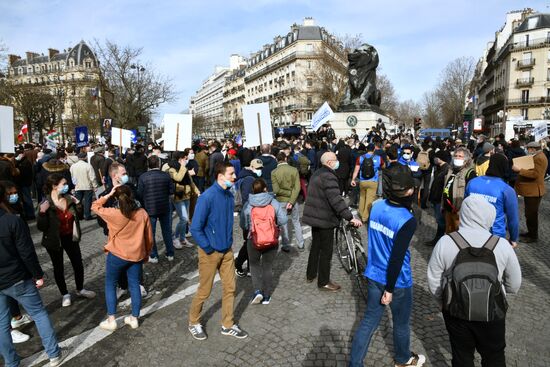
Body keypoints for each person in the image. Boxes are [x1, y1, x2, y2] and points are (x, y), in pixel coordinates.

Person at [427, 196, 521, 367]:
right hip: (493, 311)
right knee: (494, 357)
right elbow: (514, 283)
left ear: (463, 215)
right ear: (489, 217)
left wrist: (441, 302)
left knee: (462, 356)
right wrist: (502, 294)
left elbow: (434, 279)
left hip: (456, 310)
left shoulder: (445, 241)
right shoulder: (501, 244)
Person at [349, 164, 425, 367]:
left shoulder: (377, 206)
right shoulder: (407, 220)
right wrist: (390, 289)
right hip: (397, 281)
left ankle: (354, 363)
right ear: (408, 191)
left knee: (368, 321)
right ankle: (402, 359)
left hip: (373, 273)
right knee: (400, 323)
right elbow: (397, 258)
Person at [0, 189, 67, 367]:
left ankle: (11, 362)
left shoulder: (12, 220)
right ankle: (54, 354)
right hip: (17, 277)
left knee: (1, 324)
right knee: (38, 313)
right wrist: (37, 274)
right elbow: (27, 252)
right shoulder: (13, 220)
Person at [188, 162, 248, 340]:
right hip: (210, 252)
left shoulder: (229, 196)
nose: (235, 177)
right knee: (204, 291)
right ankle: (193, 322)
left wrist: (228, 243)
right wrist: (207, 247)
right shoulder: (207, 197)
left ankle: (227, 324)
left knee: (231, 288)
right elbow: (195, 228)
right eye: (231, 174)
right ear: (220, 177)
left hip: (227, 250)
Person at [92, 185, 153, 331]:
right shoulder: (142, 213)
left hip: (117, 254)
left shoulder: (114, 213)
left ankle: (111, 319)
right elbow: (149, 238)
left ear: (116, 199)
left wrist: (107, 195)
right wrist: (146, 254)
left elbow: (95, 206)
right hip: (136, 255)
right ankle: (134, 318)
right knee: (134, 285)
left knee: (110, 284)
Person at [303, 152, 362, 291]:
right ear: (329, 162)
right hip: (324, 218)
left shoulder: (317, 173)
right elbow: (336, 199)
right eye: (335, 160)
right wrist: (350, 217)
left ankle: (310, 274)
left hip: (315, 215)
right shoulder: (329, 176)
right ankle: (323, 281)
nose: (337, 162)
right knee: (326, 251)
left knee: (316, 247)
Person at [37, 173, 96, 307]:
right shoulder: (45, 203)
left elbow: (79, 217)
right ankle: (65, 294)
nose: (66, 186)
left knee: (78, 263)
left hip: (70, 236)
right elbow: (41, 227)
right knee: (58, 267)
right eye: (63, 184)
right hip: (54, 240)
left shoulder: (69, 198)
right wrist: (41, 212)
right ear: (54, 186)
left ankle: (80, 289)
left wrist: (78, 203)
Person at [242, 178, 288, 304]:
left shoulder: (248, 204)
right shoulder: (273, 202)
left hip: (254, 239)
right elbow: (283, 220)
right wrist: (274, 224)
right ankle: (267, 296)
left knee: (254, 265)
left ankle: (257, 291)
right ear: (265, 189)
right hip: (271, 238)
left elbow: (243, 223)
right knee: (267, 267)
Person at [465, 153, 519, 247]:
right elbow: (513, 218)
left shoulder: (472, 182)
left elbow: (465, 207)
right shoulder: (507, 190)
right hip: (494, 236)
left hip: (470, 231)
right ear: (504, 167)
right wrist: (513, 238)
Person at [138, 155, 174, 262]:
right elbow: (171, 192)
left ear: (148, 165)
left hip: (149, 208)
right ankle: (170, 253)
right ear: (159, 164)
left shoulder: (143, 177)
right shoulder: (166, 176)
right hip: (164, 206)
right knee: (167, 231)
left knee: (150, 233)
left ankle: (154, 255)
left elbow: (139, 194)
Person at [512, 141, 548, 243]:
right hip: (532, 190)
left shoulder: (539, 158)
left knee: (531, 214)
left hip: (534, 191)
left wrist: (520, 170)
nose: (527, 150)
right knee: (529, 213)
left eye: (528, 148)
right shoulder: (538, 156)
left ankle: (533, 236)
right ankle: (530, 232)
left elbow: (535, 174)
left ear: (533, 149)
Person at [162, 151, 199, 249]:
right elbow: (178, 178)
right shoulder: (170, 167)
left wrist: (196, 191)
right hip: (177, 195)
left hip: (186, 194)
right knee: (184, 218)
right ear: (180, 159)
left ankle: (182, 239)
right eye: (185, 158)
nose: (187, 160)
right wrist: (183, 167)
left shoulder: (183, 167)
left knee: (184, 219)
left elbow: (190, 180)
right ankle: (175, 238)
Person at [235, 158, 263, 277]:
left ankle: (252, 267)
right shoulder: (249, 179)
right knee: (250, 242)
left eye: (261, 168)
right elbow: (248, 199)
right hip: (249, 215)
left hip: (251, 214)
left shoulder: (251, 177)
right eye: (257, 168)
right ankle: (238, 264)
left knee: (253, 242)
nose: (260, 171)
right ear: (251, 167)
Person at [271, 152, 303, 252]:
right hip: (293, 199)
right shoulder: (294, 170)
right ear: (285, 158)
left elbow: (276, 190)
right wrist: (291, 199)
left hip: (281, 200)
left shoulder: (274, 172)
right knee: (296, 222)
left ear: (277, 160)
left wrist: (286, 194)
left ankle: (286, 245)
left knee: (283, 224)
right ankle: (301, 243)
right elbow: (297, 188)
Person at [442, 147, 476, 233]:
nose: (457, 158)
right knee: (448, 232)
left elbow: (471, 194)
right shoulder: (450, 170)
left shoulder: (470, 172)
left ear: (466, 159)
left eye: (460, 156)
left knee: (459, 235)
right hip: (448, 209)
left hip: (459, 212)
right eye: (455, 156)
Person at [351, 143, 383, 223]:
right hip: (373, 181)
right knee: (369, 200)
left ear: (366, 149)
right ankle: (365, 218)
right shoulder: (378, 158)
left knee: (362, 197)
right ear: (374, 149)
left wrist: (353, 179)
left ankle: (361, 213)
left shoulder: (360, 158)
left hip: (363, 181)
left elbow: (356, 169)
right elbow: (384, 166)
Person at [424, 151, 451, 246]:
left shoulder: (447, 169)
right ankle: (438, 239)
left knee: (441, 221)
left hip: (440, 199)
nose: (434, 159)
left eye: (436, 157)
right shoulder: (439, 168)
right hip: (436, 197)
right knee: (439, 220)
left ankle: (440, 240)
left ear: (440, 158)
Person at [69, 152, 98, 220]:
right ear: (85, 157)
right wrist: (95, 186)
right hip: (87, 186)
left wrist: (74, 185)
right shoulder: (87, 165)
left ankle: (78, 215)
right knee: (87, 201)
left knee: (78, 201)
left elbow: (72, 176)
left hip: (77, 186)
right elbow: (92, 177)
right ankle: (87, 215)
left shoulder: (73, 166)